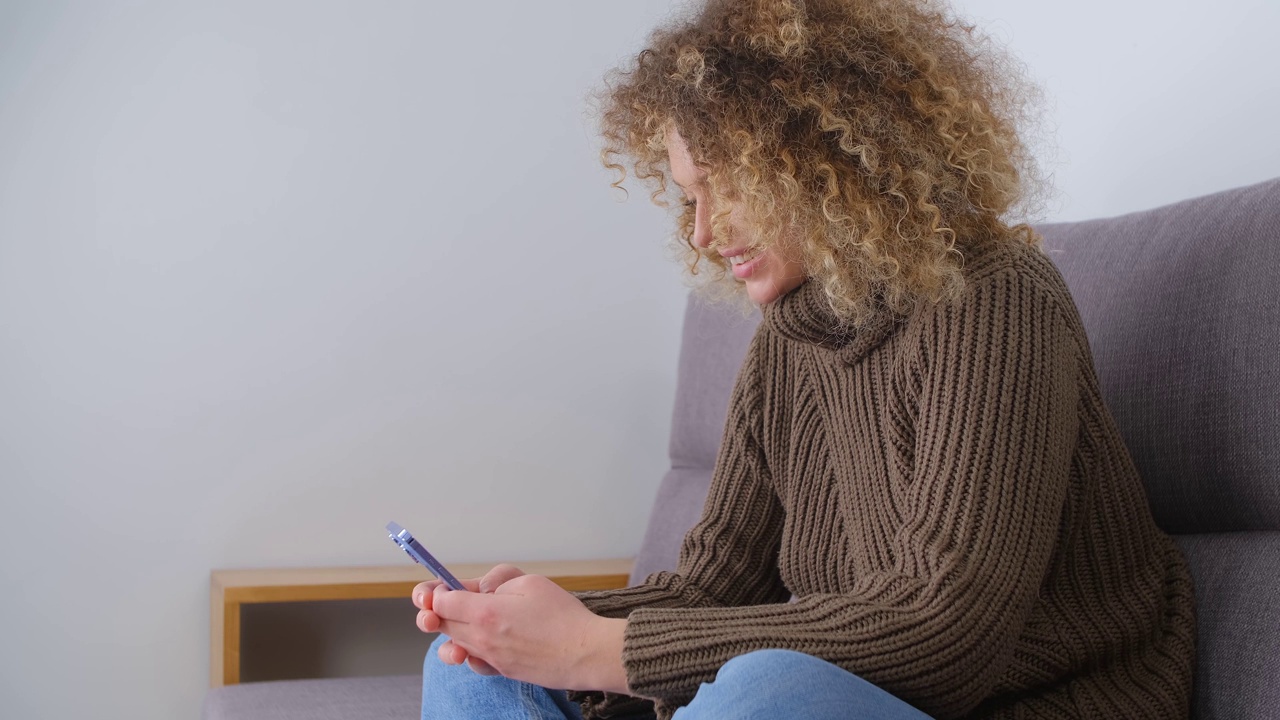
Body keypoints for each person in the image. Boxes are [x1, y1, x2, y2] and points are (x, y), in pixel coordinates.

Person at [409, 0, 1196, 717]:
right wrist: (529, 628)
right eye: (689, 198)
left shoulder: (995, 298)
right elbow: (714, 589)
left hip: (1036, 702)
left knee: (765, 690)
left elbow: (946, 626)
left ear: (822, 160)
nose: (703, 234)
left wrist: (593, 648)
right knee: (471, 667)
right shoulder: (792, 336)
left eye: (724, 187)